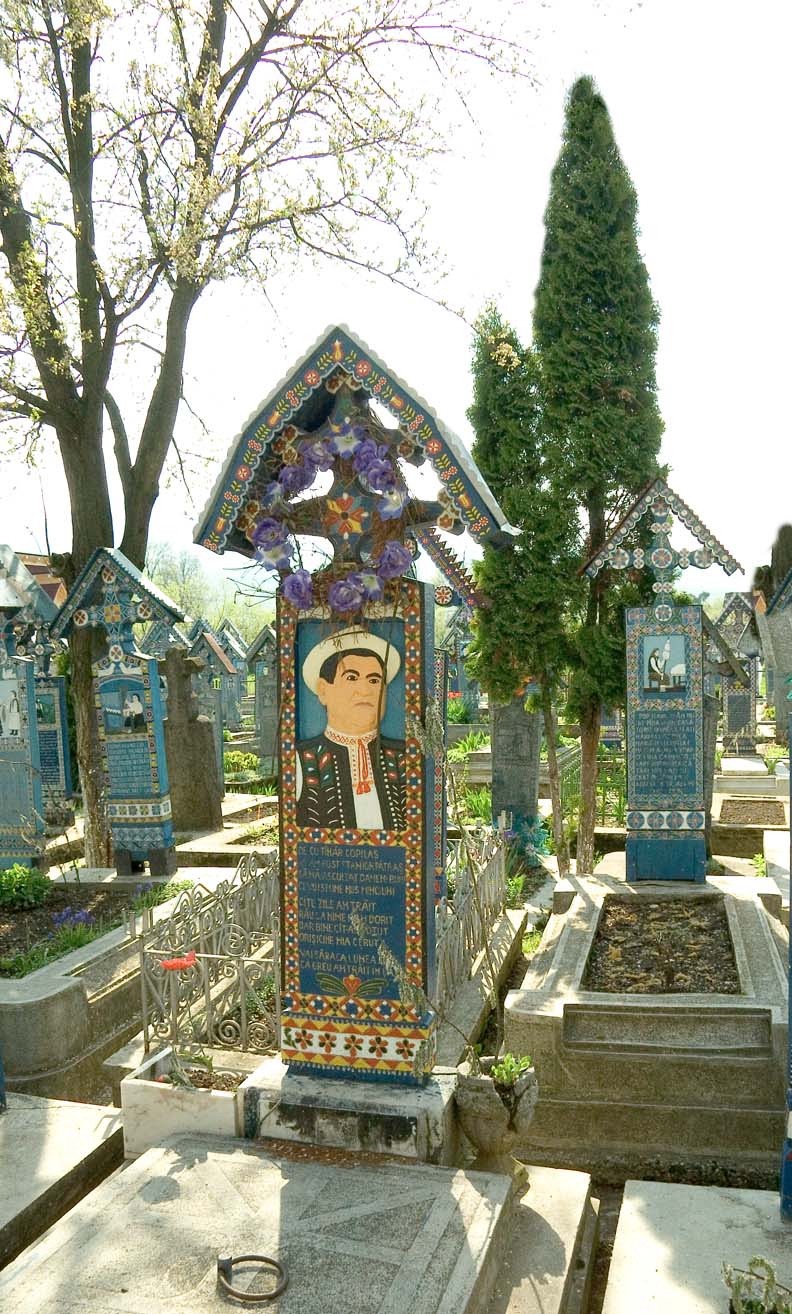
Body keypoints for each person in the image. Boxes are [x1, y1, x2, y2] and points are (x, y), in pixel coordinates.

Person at [296, 628, 406, 830]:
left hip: (396, 861)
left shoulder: (404, 758)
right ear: (323, 690)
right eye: (351, 678)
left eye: (374, 681)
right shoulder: (302, 761)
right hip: (324, 861)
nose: (365, 691)